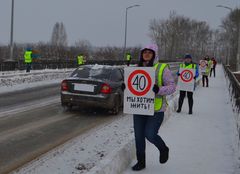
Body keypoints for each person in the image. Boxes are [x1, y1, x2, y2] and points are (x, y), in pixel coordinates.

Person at [122, 44, 176, 171]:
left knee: (150, 134)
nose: (146, 54)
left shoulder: (162, 68)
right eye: (144, 52)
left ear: (154, 54)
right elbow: (133, 86)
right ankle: (141, 162)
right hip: (140, 107)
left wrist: (159, 89)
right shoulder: (137, 68)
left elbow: (172, 86)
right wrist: (125, 88)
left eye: (149, 52)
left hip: (156, 109)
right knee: (139, 136)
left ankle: (163, 148)